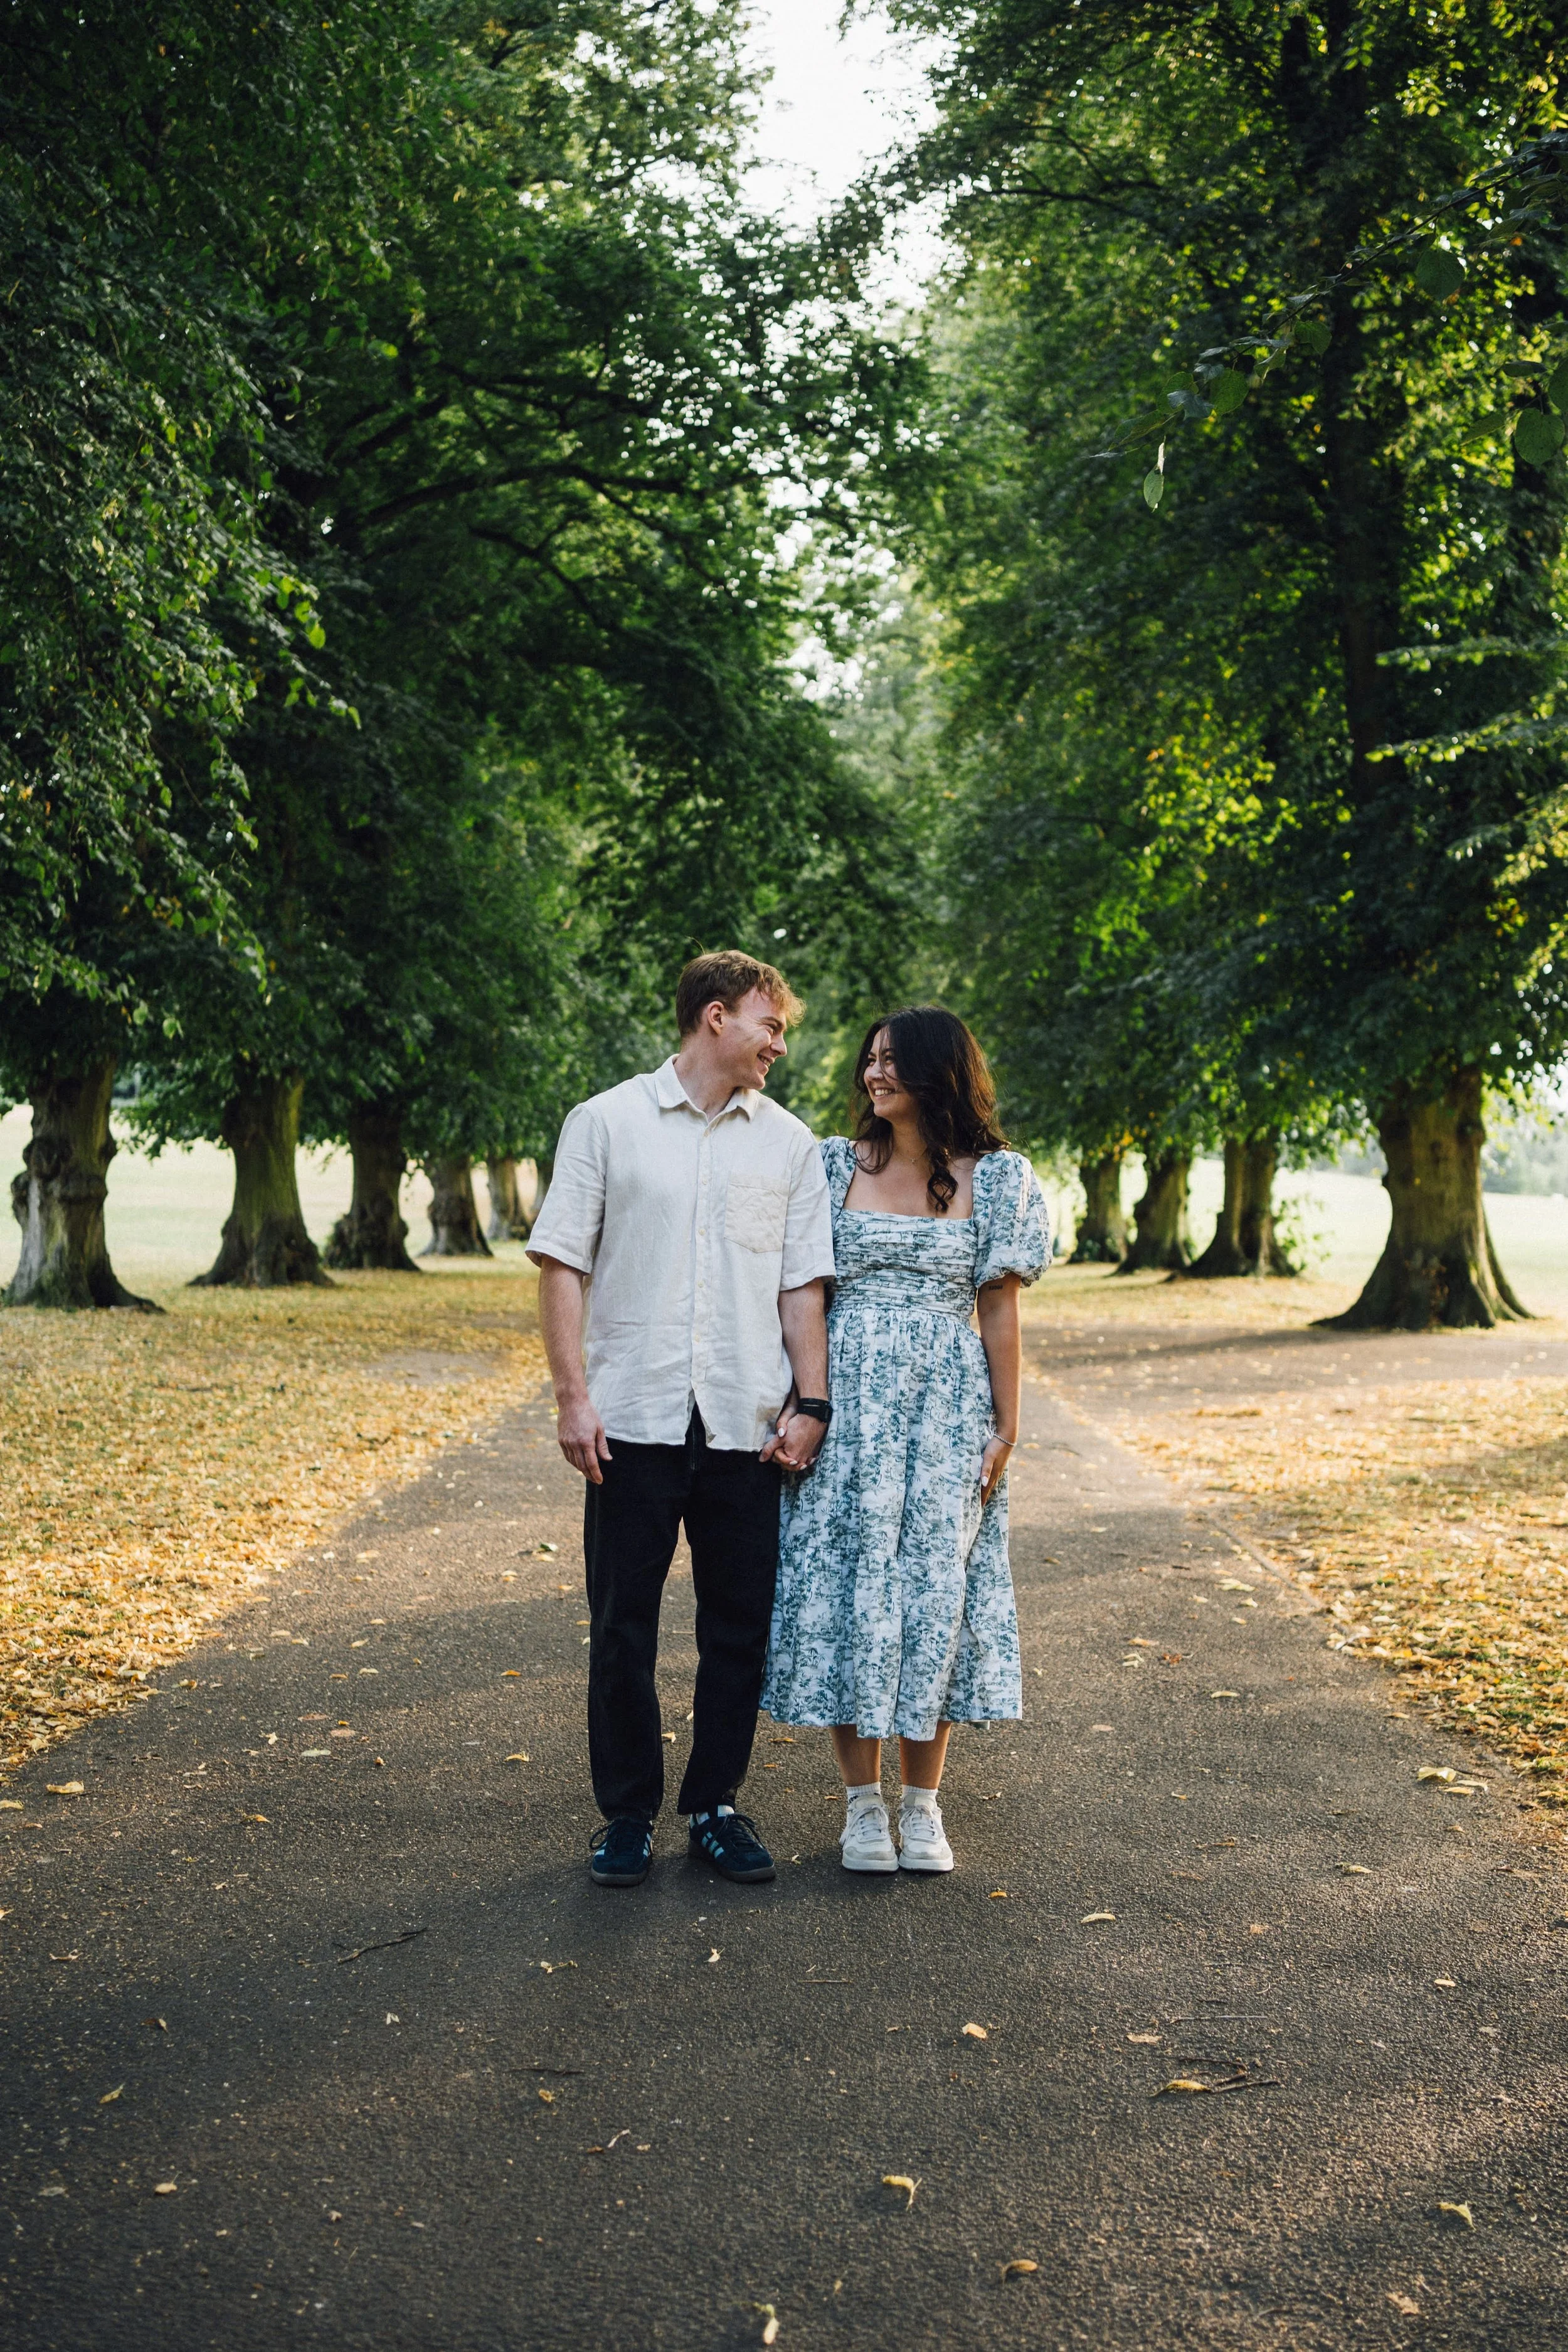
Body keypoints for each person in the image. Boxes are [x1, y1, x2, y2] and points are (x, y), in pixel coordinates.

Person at [527, 951, 835, 1890]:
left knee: (737, 1627)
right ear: (714, 1017)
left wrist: (811, 1401)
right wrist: (574, 1396)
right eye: (770, 1024)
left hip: (747, 1422)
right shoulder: (607, 1123)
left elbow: (802, 1289)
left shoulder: (789, 1145)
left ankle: (713, 1804)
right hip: (633, 1420)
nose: (781, 1043)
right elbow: (560, 1266)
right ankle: (625, 1813)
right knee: (623, 1625)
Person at [762, 1006, 1050, 1875]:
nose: (873, 1075)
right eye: (870, 1061)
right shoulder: (830, 1165)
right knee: (852, 1589)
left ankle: (922, 1807)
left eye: (891, 1062)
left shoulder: (996, 1179)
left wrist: (1008, 1428)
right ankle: (861, 1806)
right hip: (846, 1407)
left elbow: (998, 1309)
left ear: (938, 1072)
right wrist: (805, 1400)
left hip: (946, 1410)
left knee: (937, 1595)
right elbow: (802, 1290)